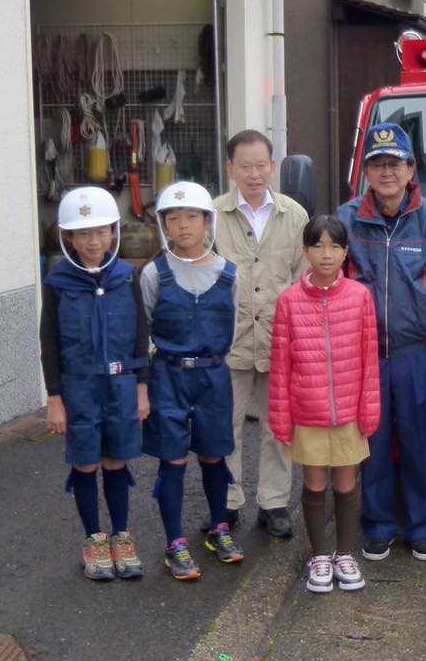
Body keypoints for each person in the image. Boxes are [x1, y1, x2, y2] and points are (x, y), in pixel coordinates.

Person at [336, 123, 426, 562]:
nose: (387, 172)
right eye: (378, 164)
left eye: (395, 163)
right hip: (364, 356)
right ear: (366, 172)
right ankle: (378, 526)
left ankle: (423, 527)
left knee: (416, 443)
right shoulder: (346, 220)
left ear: (410, 169)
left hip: (415, 355)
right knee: (371, 445)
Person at [41, 186, 150, 581]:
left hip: (120, 384)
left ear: (113, 232)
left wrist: (141, 387)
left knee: (116, 459)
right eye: (83, 233)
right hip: (78, 388)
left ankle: (121, 536)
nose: (93, 241)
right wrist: (55, 397)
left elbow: (140, 333)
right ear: (69, 237)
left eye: (101, 231)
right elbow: (49, 343)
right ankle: (94, 540)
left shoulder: (126, 276)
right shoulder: (58, 282)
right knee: (86, 460)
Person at [269, 215, 381, 593]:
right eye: (317, 246)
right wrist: (281, 418)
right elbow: (281, 366)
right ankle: (319, 555)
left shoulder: (360, 296)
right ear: (305, 252)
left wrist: (369, 410)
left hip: (349, 411)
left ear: (346, 252)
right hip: (308, 411)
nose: (326, 254)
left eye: (335, 246)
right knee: (315, 483)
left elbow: (369, 360)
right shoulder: (289, 301)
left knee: (347, 483)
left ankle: (344, 554)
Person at [142, 181, 243, 581]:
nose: (183, 225)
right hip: (168, 375)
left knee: (214, 454)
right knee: (173, 458)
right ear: (163, 225)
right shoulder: (154, 273)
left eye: (191, 217)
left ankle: (219, 527)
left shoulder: (228, 273)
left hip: (212, 375)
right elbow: (144, 327)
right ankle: (175, 543)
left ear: (207, 222)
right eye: (174, 218)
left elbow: (231, 329)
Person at [214, 130, 309, 538]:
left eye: (261, 165)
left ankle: (274, 502)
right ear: (231, 169)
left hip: (279, 339)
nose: (254, 174)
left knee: (278, 427)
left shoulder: (294, 215)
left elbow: (303, 279)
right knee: (225, 426)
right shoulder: (212, 216)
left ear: (273, 167)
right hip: (228, 339)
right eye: (245, 166)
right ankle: (226, 500)